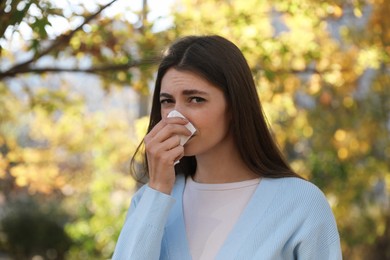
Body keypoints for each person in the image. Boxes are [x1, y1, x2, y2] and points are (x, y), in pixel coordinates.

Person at [112, 35, 342, 260]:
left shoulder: (300, 203)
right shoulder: (148, 201)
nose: (176, 116)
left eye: (195, 99)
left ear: (234, 106)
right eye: (167, 101)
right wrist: (159, 188)